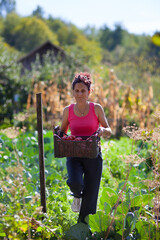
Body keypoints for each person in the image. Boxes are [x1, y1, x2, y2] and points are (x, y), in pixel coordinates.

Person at [59, 72, 112, 225]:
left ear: (89, 92)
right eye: (77, 90)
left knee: (91, 194)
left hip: (93, 153)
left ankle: (83, 227)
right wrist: (59, 133)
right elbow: (62, 132)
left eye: (83, 91)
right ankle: (76, 195)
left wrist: (102, 131)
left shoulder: (96, 109)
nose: (80, 94)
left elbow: (108, 130)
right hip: (74, 153)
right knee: (75, 182)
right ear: (73, 92)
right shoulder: (67, 110)